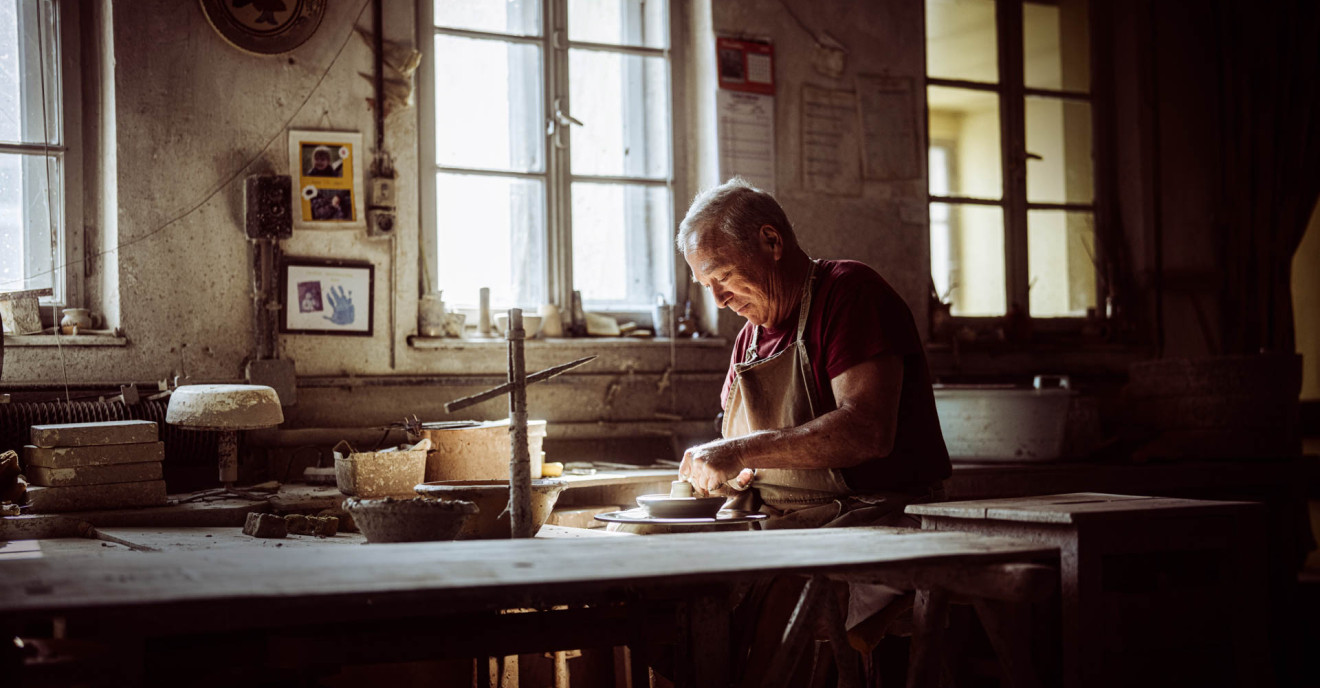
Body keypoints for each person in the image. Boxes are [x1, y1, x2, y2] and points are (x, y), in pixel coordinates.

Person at [676, 177, 951, 682]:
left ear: (772, 242)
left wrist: (738, 451)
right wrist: (735, 470)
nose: (717, 299)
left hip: (871, 516)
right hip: (782, 522)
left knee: (770, 607)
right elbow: (750, 454)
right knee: (674, 590)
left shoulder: (849, 293)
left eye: (723, 276)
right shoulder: (748, 341)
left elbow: (867, 430)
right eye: (704, 285)